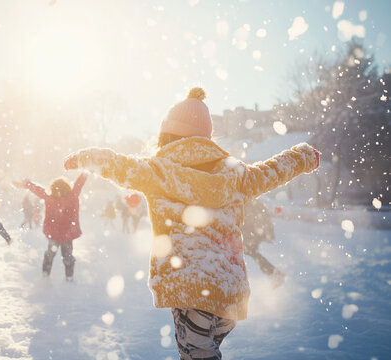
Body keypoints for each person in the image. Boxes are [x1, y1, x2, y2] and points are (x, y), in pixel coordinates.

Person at [64, 87, 320, 360]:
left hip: (189, 287)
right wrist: (302, 156)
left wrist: (85, 158)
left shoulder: (158, 170)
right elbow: (272, 171)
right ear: (206, 136)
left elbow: (120, 165)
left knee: (197, 354)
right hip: (228, 292)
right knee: (205, 351)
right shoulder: (235, 174)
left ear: (167, 134)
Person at [18, 173, 87, 281]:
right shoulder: (72, 196)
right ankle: (69, 276)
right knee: (68, 256)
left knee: (50, 254)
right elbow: (79, 184)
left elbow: (38, 190)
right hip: (68, 234)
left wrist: (27, 183)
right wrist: (85, 172)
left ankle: (45, 274)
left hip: (53, 233)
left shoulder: (49, 197)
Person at [242, 198, 285, 288]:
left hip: (253, 234)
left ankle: (274, 273)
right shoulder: (252, 201)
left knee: (251, 253)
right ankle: (274, 273)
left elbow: (250, 220)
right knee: (253, 254)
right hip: (253, 233)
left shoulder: (249, 203)